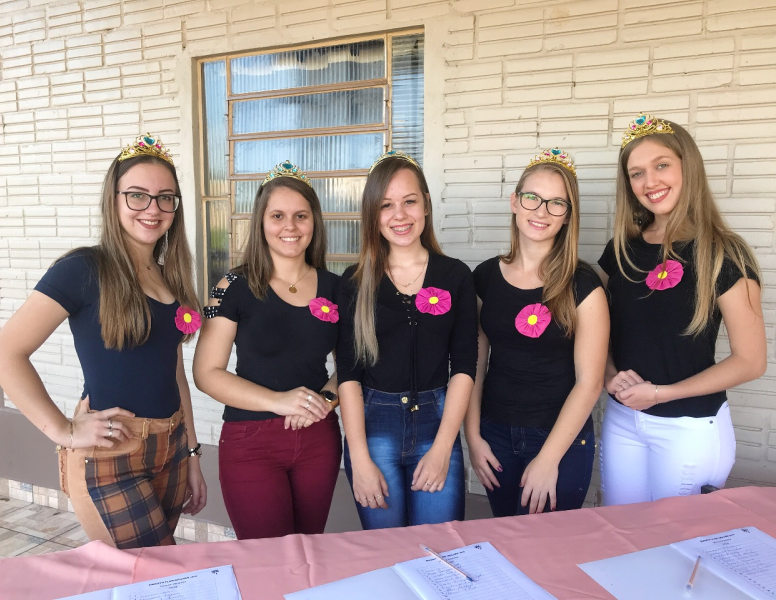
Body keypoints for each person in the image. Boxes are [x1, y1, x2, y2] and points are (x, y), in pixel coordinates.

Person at [0, 134, 207, 548]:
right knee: (148, 571)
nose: (153, 209)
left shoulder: (169, 278)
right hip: (112, 453)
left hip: (172, 447)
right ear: (114, 200)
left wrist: (193, 454)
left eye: (165, 198)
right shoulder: (83, 269)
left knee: (161, 572)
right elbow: (3, 354)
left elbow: (174, 372)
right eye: (137, 195)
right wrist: (64, 431)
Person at [598, 114, 766, 505]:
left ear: (687, 167)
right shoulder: (622, 249)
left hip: (689, 428)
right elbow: (595, 329)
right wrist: (608, 374)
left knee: (674, 538)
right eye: (637, 173)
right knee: (621, 529)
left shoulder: (723, 254)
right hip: (623, 419)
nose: (650, 182)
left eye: (661, 165)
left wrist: (662, 393)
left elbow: (751, 361)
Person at [192, 161, 342, 540]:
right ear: (261, 222)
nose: (290, 226)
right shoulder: (230, 286)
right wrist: (279, 401)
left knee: (309, 549)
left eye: (300, 216)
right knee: (266, 557)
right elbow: (206, 373)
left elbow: (353, 365)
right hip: (250, 442)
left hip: (317, 436)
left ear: (314, 222)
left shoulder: (338, 288)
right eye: (277, 216)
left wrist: (325, 400)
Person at [336, 150, 478, 530]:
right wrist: (359, 459)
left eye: (409, 201)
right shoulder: (355, 282)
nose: (399, 215)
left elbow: (465, 366)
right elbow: (348, 374)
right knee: (387, 550)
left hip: (437, 424)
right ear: (372, 214)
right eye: (386, 205)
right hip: (374, 430)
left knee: (441, 545)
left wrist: (444, 447)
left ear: (426, 205)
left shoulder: (455, 276)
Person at [465, 149, 609, 516]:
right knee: (505, 537)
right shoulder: (484, 277)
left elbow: (590, 382)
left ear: (568, 215)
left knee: (545, 544)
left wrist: (548, 459)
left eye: (556, 203)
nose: (541, 211)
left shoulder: (583, 283)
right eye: (532, 197)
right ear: (515, 202)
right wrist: (473, 435)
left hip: (559, 438)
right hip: (495, 433)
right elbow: (473, 364)